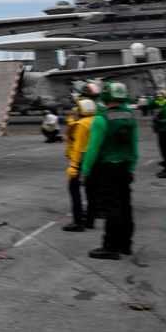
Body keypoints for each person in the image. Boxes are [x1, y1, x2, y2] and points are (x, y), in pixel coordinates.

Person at [81, 81, 138, 260]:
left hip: (107, 167)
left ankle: (110, 247)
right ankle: (125, 244)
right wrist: (131, 166)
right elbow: (134, 145)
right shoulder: (130, 116)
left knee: (111, 207)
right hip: (124, 166)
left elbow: (94, 147)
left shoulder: (102, 118)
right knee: (125, 206)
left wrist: (85, 170)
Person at [64, 97, 98, 232]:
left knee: (74, 190)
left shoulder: (81, 125)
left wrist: (73, 166)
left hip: (81, 160)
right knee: (92, 191)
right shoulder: (95, 121)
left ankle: (78, 222)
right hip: (94, 160)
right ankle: (90, 221)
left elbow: (79, 148)